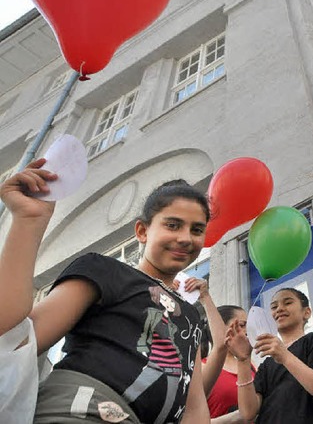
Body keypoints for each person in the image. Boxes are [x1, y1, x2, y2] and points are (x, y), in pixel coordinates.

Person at [0, 158, 211, 423]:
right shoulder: (106, 271)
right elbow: (15, 337)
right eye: (172, 225)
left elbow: (194, 406)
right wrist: (28, 221)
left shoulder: (192, 317)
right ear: (142, 231)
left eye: (197, 229)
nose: (185, 238)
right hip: (80, 410)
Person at [225, 287, 313, 423]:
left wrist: (285, 356)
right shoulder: (266, 365)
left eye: (288, 302)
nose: (279, 309)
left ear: (306, 312)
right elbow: (248, 412)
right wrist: (243, 360)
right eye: (274, 307)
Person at [202, 304, 255, 422]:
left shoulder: (251, 366)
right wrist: (241, 414)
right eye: (242, 325)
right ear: (220, 327)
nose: (247, 330)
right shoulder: (202, 367)